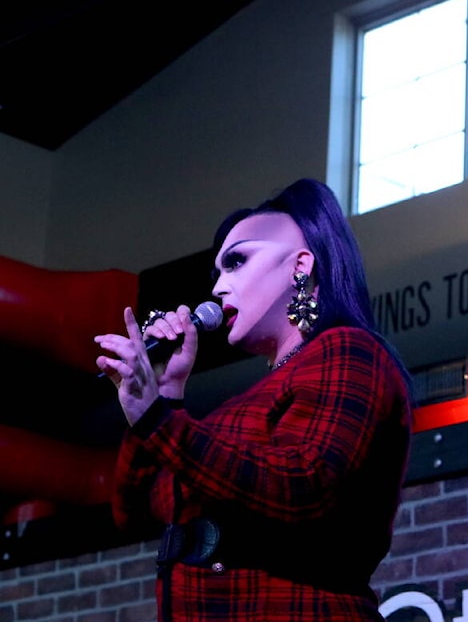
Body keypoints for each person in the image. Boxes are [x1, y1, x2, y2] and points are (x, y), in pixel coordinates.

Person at [95, 178, 413, 621]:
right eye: (217, 274)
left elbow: (304, 484)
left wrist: (159, 420)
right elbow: (134, 512)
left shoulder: (350, 352)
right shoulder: (232, 413)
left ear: (301, 265)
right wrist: (165, 392)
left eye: (237, 262)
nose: (219, 289)